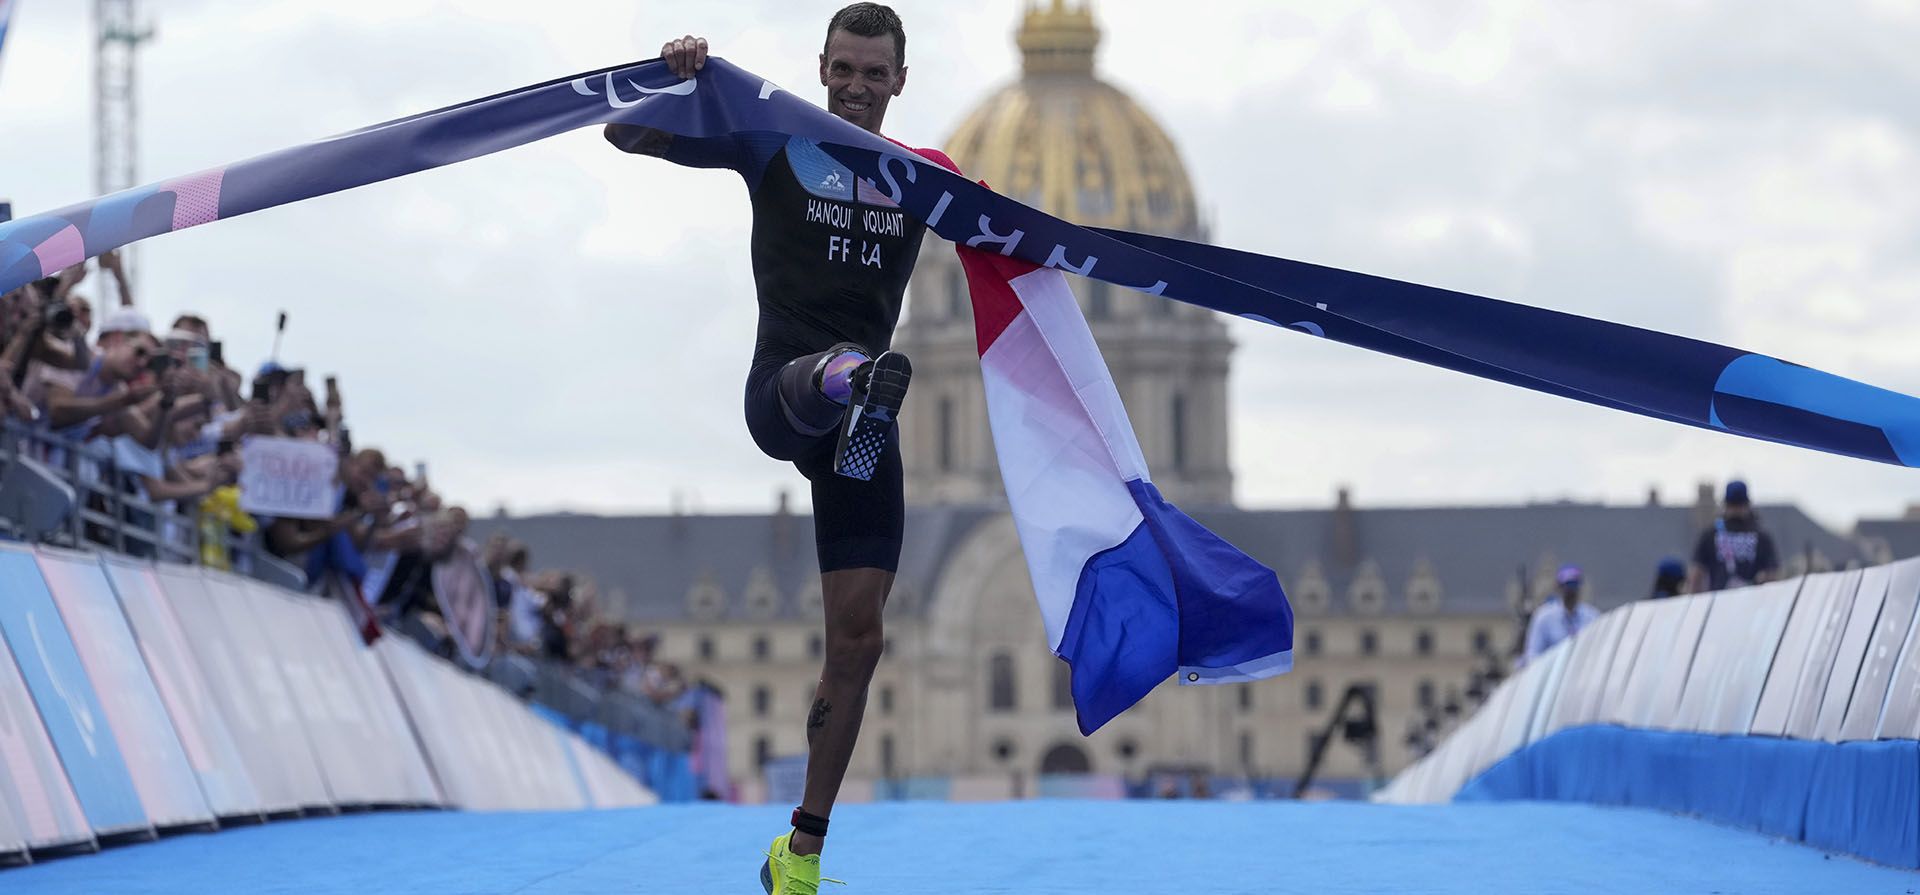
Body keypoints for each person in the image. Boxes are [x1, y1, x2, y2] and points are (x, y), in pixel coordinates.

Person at [605, 7, 956, 892]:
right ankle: (849, 378)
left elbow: (1016, 235)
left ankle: (799, 854)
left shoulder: (921, 177)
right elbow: (623, 130)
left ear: (899, 83)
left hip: (861, 441)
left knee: (860, 640)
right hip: (786, 395)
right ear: (823, 67)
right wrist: (676, 75)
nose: (857, 87)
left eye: (875, 74)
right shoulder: (770, 139)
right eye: (844, 69)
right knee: (840, 375)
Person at [1687, 480, 1780, 593]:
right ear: (1747, 504)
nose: (1736, 510)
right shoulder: (1761, 536)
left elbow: (1696, 575)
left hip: (1722, 600)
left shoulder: (1711, 534)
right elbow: (1773, 575)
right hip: (1751, 602)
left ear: (1725, 504)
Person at [1523, 565, 1598, 666]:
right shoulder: (1544, 618)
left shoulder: (1591, 617)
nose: (1571, 591)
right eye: (1567, 586)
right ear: (1559, 588)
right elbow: (1533, 654)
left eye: (1574, 585)